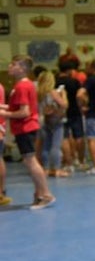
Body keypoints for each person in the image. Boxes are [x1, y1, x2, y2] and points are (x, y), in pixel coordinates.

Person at [1, 56, 55, 209]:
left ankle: (46, 194)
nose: (10, 66)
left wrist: (4, 114)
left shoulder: (22, 87)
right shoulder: (23, 85)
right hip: (25, 128)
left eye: (14, 64)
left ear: (23, 68)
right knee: (30, 161)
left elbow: (24, 112)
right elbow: (15, 107)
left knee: (31, 162)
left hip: (25, 128)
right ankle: (39, 194)